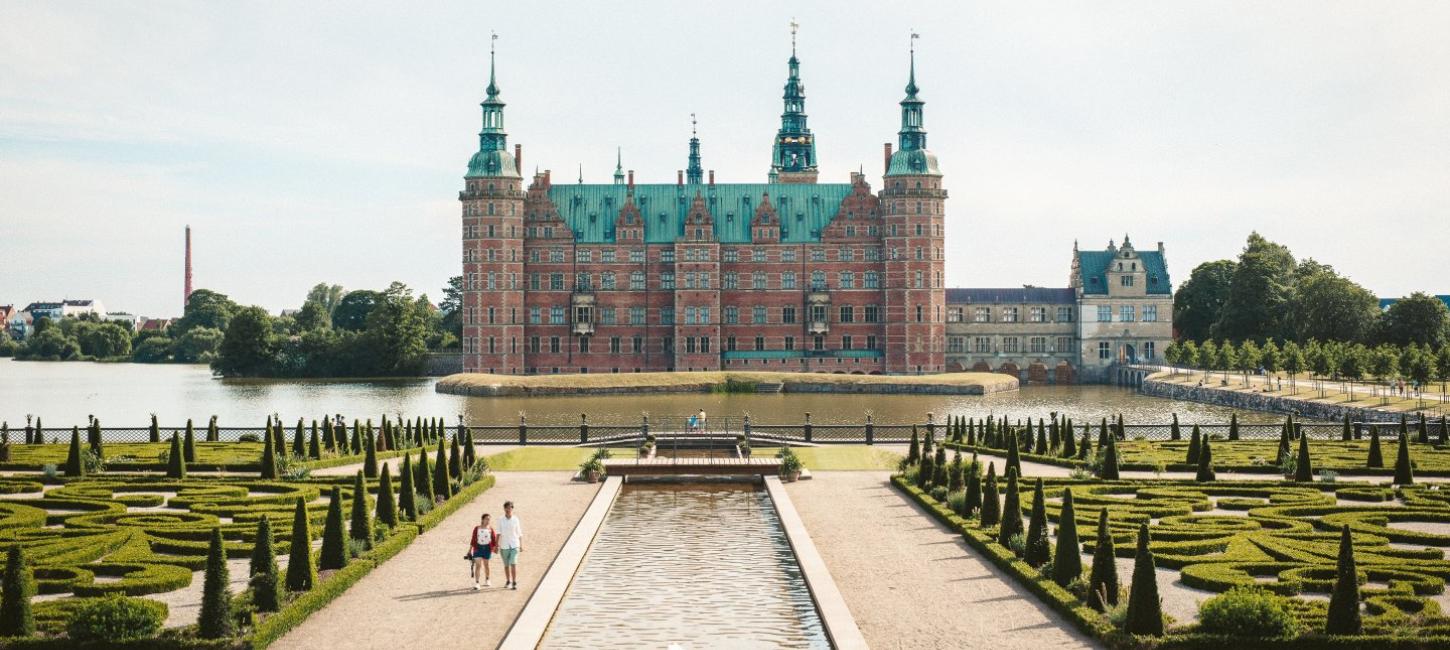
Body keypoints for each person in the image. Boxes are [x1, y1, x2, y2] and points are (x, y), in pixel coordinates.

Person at [497, 500, 523, 590]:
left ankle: (514, 582)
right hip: (504, 545)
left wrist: (521, 544)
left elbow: (519, 532)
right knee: (506, 565)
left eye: (510, 507)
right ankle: (508, 581)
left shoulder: (516, 519)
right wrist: (497, 545)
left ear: (512, 508)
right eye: (507, 507)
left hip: (514, 544)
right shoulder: (500, 519)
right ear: (504, 509)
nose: (508, 509)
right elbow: (498, 532)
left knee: (513, 563)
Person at [468, 513, 498, 590]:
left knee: (486, 565)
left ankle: (487, 579)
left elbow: (494, 540)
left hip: (487, 549)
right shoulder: (477, 528)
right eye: (486, 519)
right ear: (482, 519)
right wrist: (469, 550)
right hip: (478, 548)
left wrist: (495, 548)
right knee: (478, 566)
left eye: (489, 519)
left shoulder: (490, 529)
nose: (488, 521)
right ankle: (477, 583)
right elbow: (473, 539)